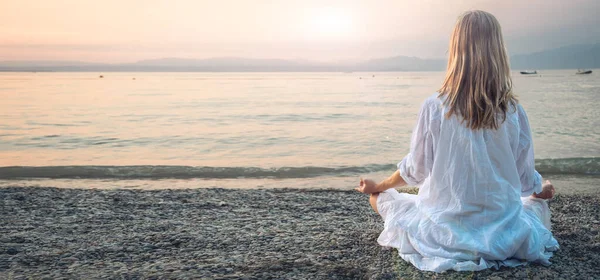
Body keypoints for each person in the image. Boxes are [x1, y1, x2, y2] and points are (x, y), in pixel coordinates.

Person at [355, 10, 559, 272]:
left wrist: (380, 185)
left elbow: (416, 172)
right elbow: (522, 181)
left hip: (443, 234)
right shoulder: (513, 110)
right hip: (503, 234)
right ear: (498, 52)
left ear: (455, 51)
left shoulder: (434, 106)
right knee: (534, 204)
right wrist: (541, 188)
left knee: (379, 198)